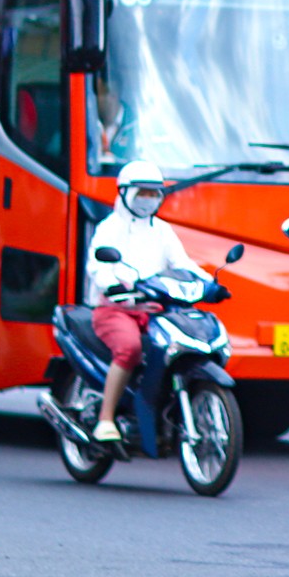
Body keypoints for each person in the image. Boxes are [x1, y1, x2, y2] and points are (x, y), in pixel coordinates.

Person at [83, 160, 198, 444]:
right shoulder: (110, 228)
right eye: (141, 193)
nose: (148, 199)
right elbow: (97, 264)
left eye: (153, 194)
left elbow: (182, 263)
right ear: (124, 194)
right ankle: (106, 419)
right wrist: (111, 285)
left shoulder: (162, 230)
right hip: (116, 309)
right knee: (130, 349)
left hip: (155, 309)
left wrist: (207, 283)